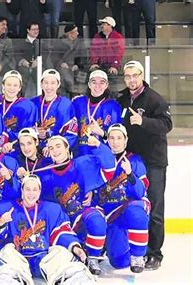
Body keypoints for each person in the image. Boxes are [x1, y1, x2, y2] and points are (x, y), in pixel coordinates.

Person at [117, 60, 173, 271]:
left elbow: (167, 124)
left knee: (155, 207)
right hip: (130, 162)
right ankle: (135, 249)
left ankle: (154, 253)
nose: (131, 80)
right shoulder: (123, 99)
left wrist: (144, 121)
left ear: (142, 76)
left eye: (135, 75)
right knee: (131, 204)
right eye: (127, 76)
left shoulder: (154, 99)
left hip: (153, 162)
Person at [37, 135, 115, 275]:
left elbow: (109, 168)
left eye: (58, 146)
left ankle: (93, 257)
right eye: (51, 148)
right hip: (63, 222)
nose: (55, 150)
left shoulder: (82, 164)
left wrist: (98, 145)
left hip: (82, 212)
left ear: (67, 148)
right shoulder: (45, 175)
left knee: (97, 221)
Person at [0, 175, 87, 275]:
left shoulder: (51, 209)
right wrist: (0, 222)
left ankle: (72, 279)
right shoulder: (6, 208)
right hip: (17, 261)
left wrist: (75, 248)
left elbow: (61, 233)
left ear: (39, 191)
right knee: (7, 251)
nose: (31, 193)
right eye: (28, 189)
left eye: (35, 189)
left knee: (60, 252)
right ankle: (10, 280)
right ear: (22, 190)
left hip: (43, 259)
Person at [97, 124, 150, 273]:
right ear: (106, 140)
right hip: (110, 215)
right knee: (119, 262)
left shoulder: (135, 161)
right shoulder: (100, 160)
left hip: (129, 208)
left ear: (126, 140)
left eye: (119, 138)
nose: (115, 142)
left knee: (135, 210)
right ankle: (116, 243)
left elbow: (140, 192)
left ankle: (138, 255)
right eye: (112, 138)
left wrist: (129, 174)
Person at [0, 70, 37, 156]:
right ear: (3, 85)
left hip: (13, 150)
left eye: (15, 85)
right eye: (8, 85)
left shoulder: (27, 106)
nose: (12, 88)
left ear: (20, 88)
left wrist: (11, 143)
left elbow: (28, 132)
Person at [72, 70, 121, 156]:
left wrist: (101, 132)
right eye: (94, 82)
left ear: (106, 85)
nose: (97, 86)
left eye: (102, 82)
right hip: (80, 156)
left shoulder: (113, 106)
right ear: (89, 85)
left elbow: (117, 137)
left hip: (102, 156)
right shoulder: (77, 102)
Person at [31, 69, 78, 155]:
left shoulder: (65, 104)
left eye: (53, 83)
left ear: (58, 84)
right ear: (41, 84)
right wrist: (35, 131)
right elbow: (25, 127)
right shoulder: (33, 103)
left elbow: (71, 133)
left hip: (56, 154)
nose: (49, 87)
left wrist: (53, 148)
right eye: (46, 82)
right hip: (34, 152)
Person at [51, 24, 88, 97]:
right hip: (64, 67)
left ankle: (77, 96)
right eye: (75, 31)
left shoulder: (80, 42)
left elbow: (84, 56)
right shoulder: (59, 42)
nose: (77, 33)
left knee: (81, 76)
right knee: (65, 77)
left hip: (77, 67)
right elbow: (54, 56)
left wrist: (78, 65)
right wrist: (61, 63)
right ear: (69, 33)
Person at [15, 21, 41, 96]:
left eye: (37, 29)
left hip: (37, 67)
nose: (36, 31)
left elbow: (46, 55)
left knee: (40, 74)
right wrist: (22, 61)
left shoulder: (41, 42)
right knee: (24, 74)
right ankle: (21, 97)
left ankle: (40, 98)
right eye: (33, 29)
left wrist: (38, 61)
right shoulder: (20, 42)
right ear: (28, 30)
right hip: (24, 66)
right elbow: (16, 54)